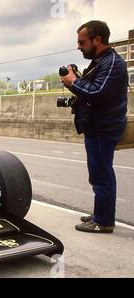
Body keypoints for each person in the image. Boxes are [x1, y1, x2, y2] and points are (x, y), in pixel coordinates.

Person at [61, 20, 128, 233]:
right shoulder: (100, 61)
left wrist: (74, 82)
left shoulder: (112, 63)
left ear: (97, 40)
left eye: (82, 42)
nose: (79, 47)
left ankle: (104, 221)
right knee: (98, 173)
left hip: (104, 128)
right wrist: (74, 82)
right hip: (96, 127)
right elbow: (89, 92)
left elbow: (98, 93)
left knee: (102, 174)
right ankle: (101, 214)